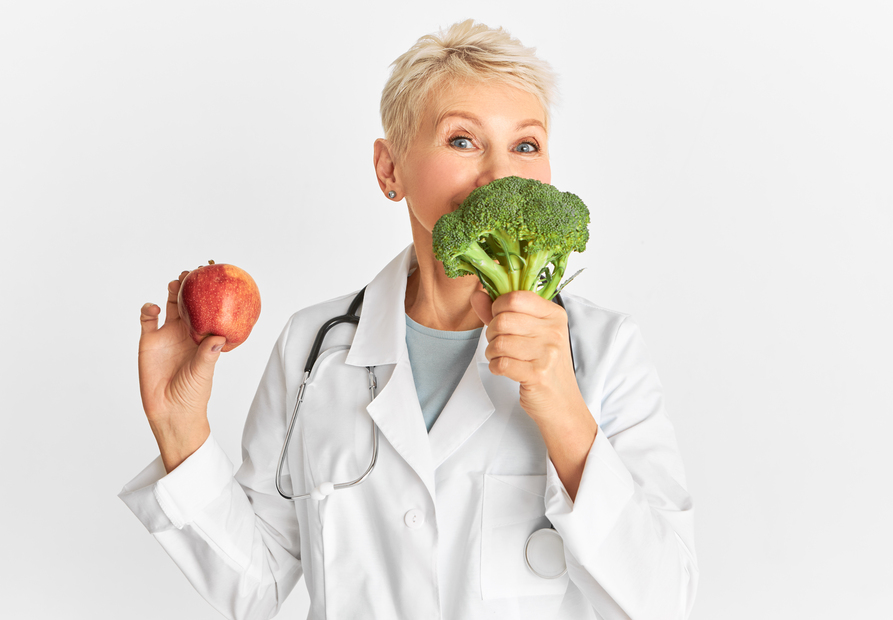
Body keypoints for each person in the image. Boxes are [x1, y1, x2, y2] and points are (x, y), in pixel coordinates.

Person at [121, 19, 698, 620]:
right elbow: (256, 584)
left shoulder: (604, 352)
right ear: (388, 169)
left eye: (525, 145)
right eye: (462, 140)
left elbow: (664, 601)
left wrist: (563, 410)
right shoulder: (312, 349)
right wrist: (179, 426)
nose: (499, 174)